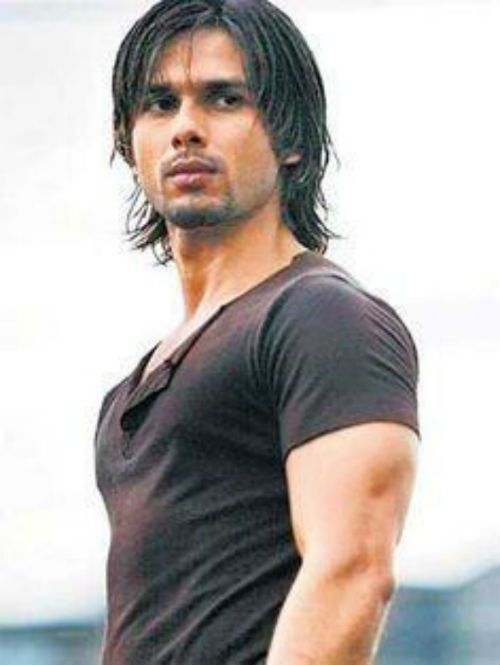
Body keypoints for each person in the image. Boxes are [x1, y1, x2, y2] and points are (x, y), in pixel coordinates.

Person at [94, 1, 420, 664]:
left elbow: (352, 570)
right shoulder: (136, 381)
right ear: (129, 143)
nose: (186, 128)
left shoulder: (322, 318)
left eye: (224, 99)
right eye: (160, 104)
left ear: (291, 136)